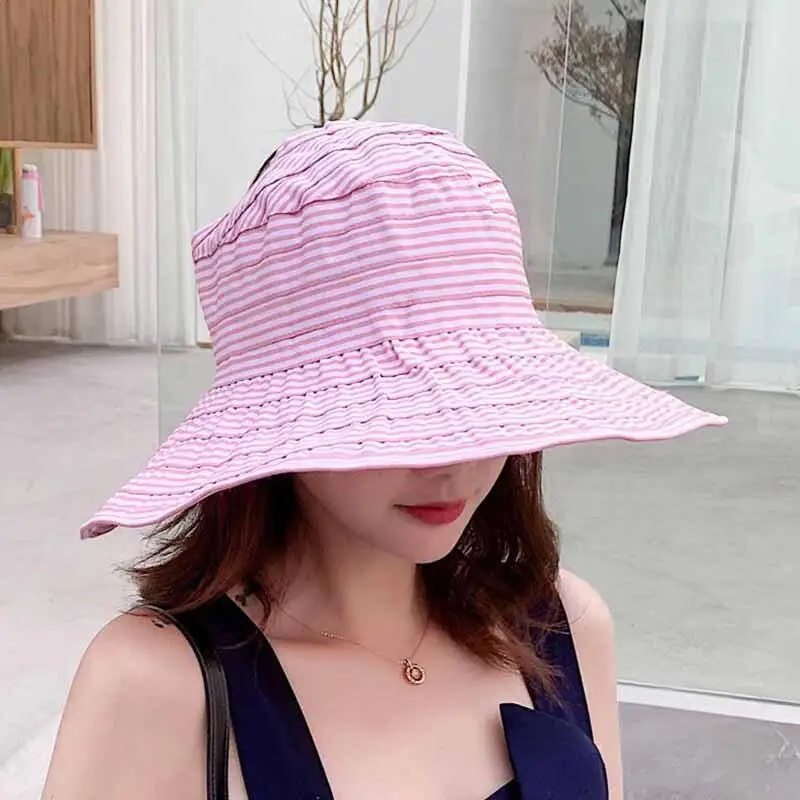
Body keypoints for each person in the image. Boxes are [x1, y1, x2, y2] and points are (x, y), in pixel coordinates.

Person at [43, 121, 725, 800]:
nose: (450, 458)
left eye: (480, 403)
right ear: (278, 424)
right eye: (393, 417)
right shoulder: (155, 687)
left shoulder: (564, 624)